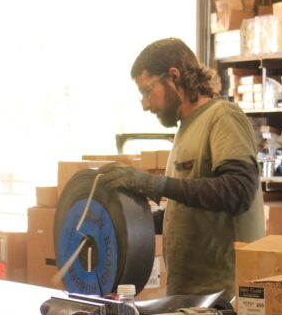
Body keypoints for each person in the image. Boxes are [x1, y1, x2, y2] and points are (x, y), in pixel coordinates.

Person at [103, 38, 265, 296]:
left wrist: (151, 184)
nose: (145, 105)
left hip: (223, 297)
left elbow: (239, 191)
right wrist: (123, 217)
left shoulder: (222, 117)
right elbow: (187, 211)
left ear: (174, 77)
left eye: (147, 91)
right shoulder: (185, 129)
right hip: (188, 294)